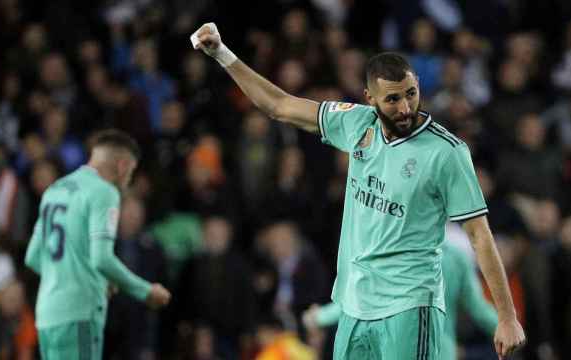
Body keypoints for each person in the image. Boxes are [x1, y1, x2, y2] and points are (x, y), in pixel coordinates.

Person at [191, 23, 525, 359]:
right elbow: (279, 105)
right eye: (392, 99)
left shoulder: (447, 152)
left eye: (410, 93)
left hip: (409, 305)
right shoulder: (355, 123)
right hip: (355, 305)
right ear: (370, 99)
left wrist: (507, 316)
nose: (405, 108)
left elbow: (479, 235)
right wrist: (222, 53)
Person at [24, 129, 172, 360]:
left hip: (48, 314)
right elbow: (101, 258)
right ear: (122, 165)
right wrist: (145, 291)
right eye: (131, 172)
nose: (128, 180)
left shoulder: (55, 189)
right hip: (80, 312)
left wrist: (87, 277)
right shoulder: (104, 191)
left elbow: (33, 257)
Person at [302, 241, 499, 360]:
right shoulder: (457, 258)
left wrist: (319, 317)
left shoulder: (392, 253)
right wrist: (507, 327)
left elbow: (361, 298)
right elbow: (479, 308)